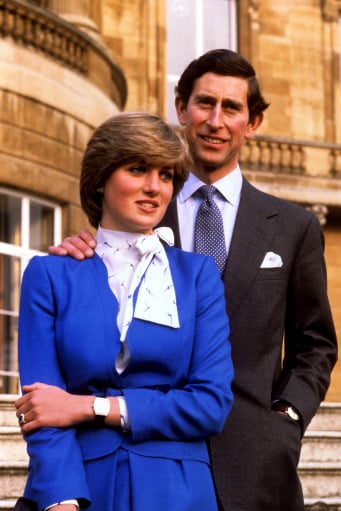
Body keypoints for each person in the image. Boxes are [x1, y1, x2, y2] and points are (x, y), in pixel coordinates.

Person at [47, 50, 338, 511]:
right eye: (204, 103)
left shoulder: (292, 226)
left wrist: (285, 417)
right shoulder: (138, 212)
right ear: (181, 108)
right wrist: (88, 250)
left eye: (232, 108)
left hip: (255, 461)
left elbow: (316, 343)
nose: (215, 121)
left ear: (253, 121)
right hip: (148, 459)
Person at [15, 111, 234, 511]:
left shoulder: (197, 276)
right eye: (137, 169)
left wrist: (89, 406)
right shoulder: (49, 274)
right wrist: (61, 499)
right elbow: (41, 405)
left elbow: (210, 403)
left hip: (179, 492)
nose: (155, 187)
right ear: (100, 179)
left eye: (166, 175)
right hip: (80, 484)